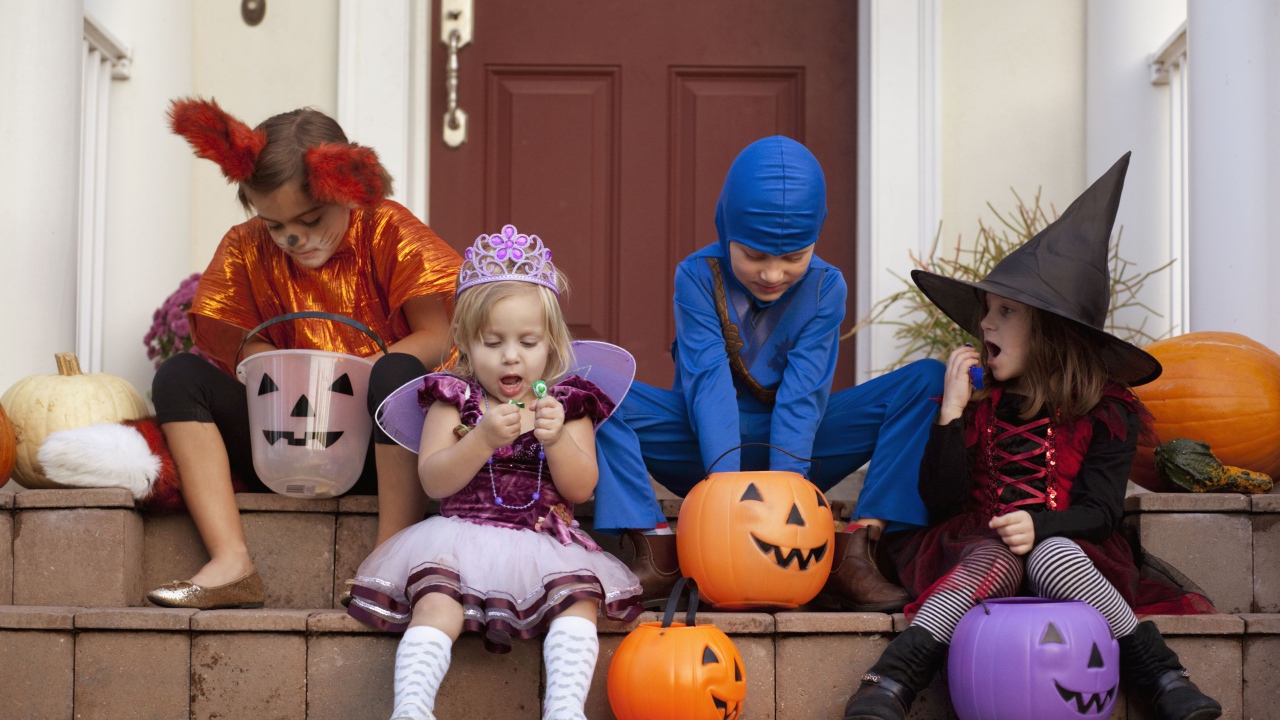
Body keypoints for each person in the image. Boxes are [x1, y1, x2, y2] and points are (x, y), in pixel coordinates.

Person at [842, 154, 1220, 720]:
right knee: (997, 550)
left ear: (1050, 332)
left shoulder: (1106, 411)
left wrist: (1040, 526)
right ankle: (891, 679)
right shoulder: (978, 404)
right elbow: (940, 501)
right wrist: (948, 415)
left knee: (1051, 551)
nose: (984, 325)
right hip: (975, 547)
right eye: (986, 312)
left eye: (1005, 312)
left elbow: (1100, 512)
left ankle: (1163, 675)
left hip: (1070, 546)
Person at [593, 136, 945, 609]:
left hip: (802, 453)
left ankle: (855, 552)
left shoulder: (826, 287)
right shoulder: (697, 277)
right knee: (593, 387)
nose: (773, 274)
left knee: (925, 381)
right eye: (755, 256)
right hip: (700, 448)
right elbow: (709, 384)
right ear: (726, 230)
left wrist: (784, 505)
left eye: (793, 257)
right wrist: (724, 499)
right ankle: (656, 550)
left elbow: (805, 397)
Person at [146, 97, 460, 610]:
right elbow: (247, 349)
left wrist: (360, 375)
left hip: (382, 447)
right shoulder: (247, 247)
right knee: (179, 376)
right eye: (275, 225)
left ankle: (390, 556)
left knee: (397, 372)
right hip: (288, 440)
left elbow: (439, 333)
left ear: (350, 190)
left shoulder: (386, 229)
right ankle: (231, 562)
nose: (294, 237)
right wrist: (278, 367)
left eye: (311, 219)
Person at [346, 226, 642, 720]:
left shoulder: (568, 406)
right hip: (459, 537)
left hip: (543, 542)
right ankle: (412, 709)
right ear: (464, 342)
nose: (511, 355)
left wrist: (558, 440)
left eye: (528, 342)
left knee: (579, 604)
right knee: (436, 603)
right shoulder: (455, 400)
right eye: (492, 342)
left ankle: (565, 710)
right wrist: (480, 438)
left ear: (551, 345)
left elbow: (582, 487)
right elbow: (434, 481)